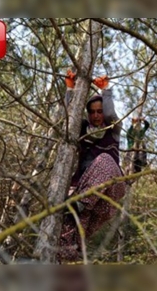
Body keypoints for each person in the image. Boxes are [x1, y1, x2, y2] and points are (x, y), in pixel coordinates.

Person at [57, 71, 126, 262]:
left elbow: (112, 114)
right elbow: (67, 115)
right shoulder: (82, 130)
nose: (96, 115)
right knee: (69, 233)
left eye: (100, 110)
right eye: (92, 111)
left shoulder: (113, 129)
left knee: (104, 160)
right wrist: (70, 89)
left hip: (111, 187)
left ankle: (81, 203)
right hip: (83, 192)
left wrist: (106, 91)